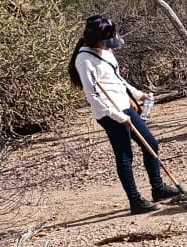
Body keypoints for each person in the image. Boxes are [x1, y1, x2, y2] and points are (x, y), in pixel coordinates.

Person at [69, 15, 181, 215]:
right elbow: (93, 95)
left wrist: (138, 94)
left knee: (151, 144)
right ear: (96, 39)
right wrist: (118, 116)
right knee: (124, 155)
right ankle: (135, 200)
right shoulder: (84, 60)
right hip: (109, 113)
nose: (108, 44)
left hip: (125, 106)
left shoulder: (107, 52)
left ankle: (158, 188)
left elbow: (117, 79)